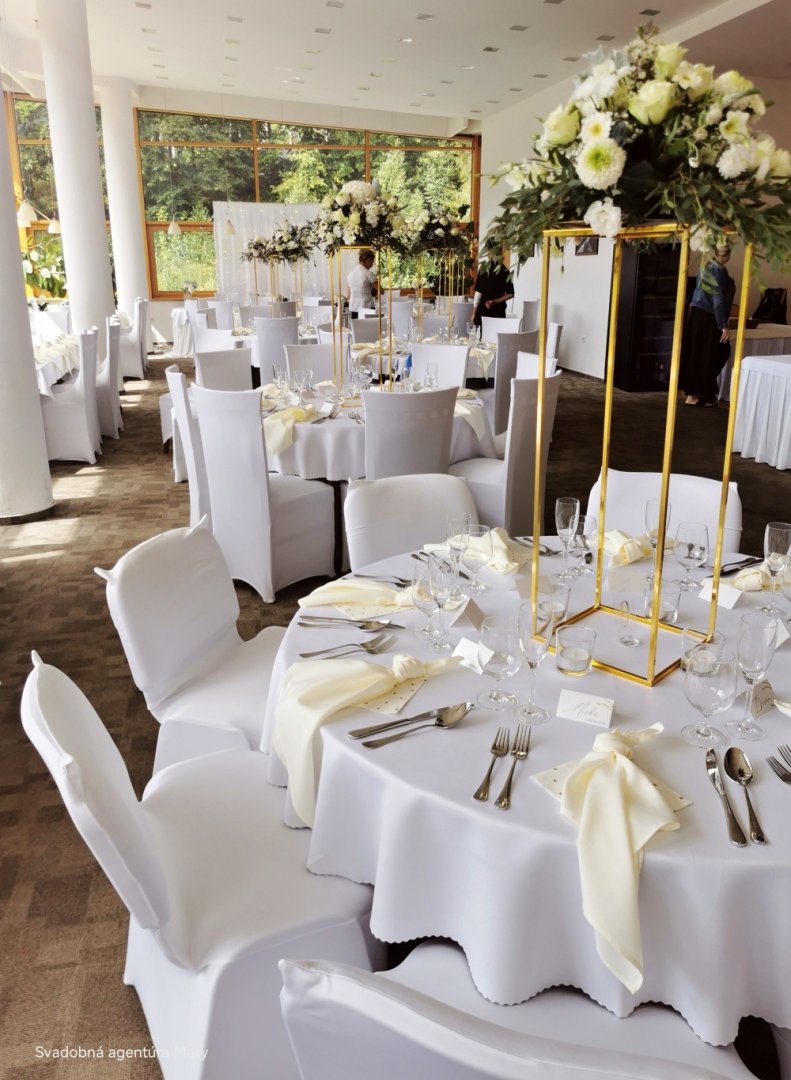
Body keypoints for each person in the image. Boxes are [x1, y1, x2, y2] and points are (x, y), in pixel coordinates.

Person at [680, 244, 735, 407]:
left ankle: (695, 394)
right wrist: (723, 324)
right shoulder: (719, 271)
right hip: (708, 315)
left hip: (697, 313)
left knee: (696, 352)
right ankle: (701, 393)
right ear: (727, 256)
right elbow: (717, 298)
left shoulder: (705, 268)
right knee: (716, 352)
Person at [470, 262, 514, 328]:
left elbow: (479, 294)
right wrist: (494, 301)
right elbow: (511, 294)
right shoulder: (505, 270)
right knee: (497, 333)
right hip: (499, 313)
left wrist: (474, 313)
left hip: (483, 312)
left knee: (482, 333)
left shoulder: (484, 268)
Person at [345, 249, 378, 318]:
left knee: (356, 325)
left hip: (354, 307)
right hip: (367, 306)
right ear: (368, 260)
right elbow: (381, 291)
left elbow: (348, 295)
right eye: (372, 262)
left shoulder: (350, 275)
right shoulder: (369, 273)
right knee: (370, 325)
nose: (372, 265)